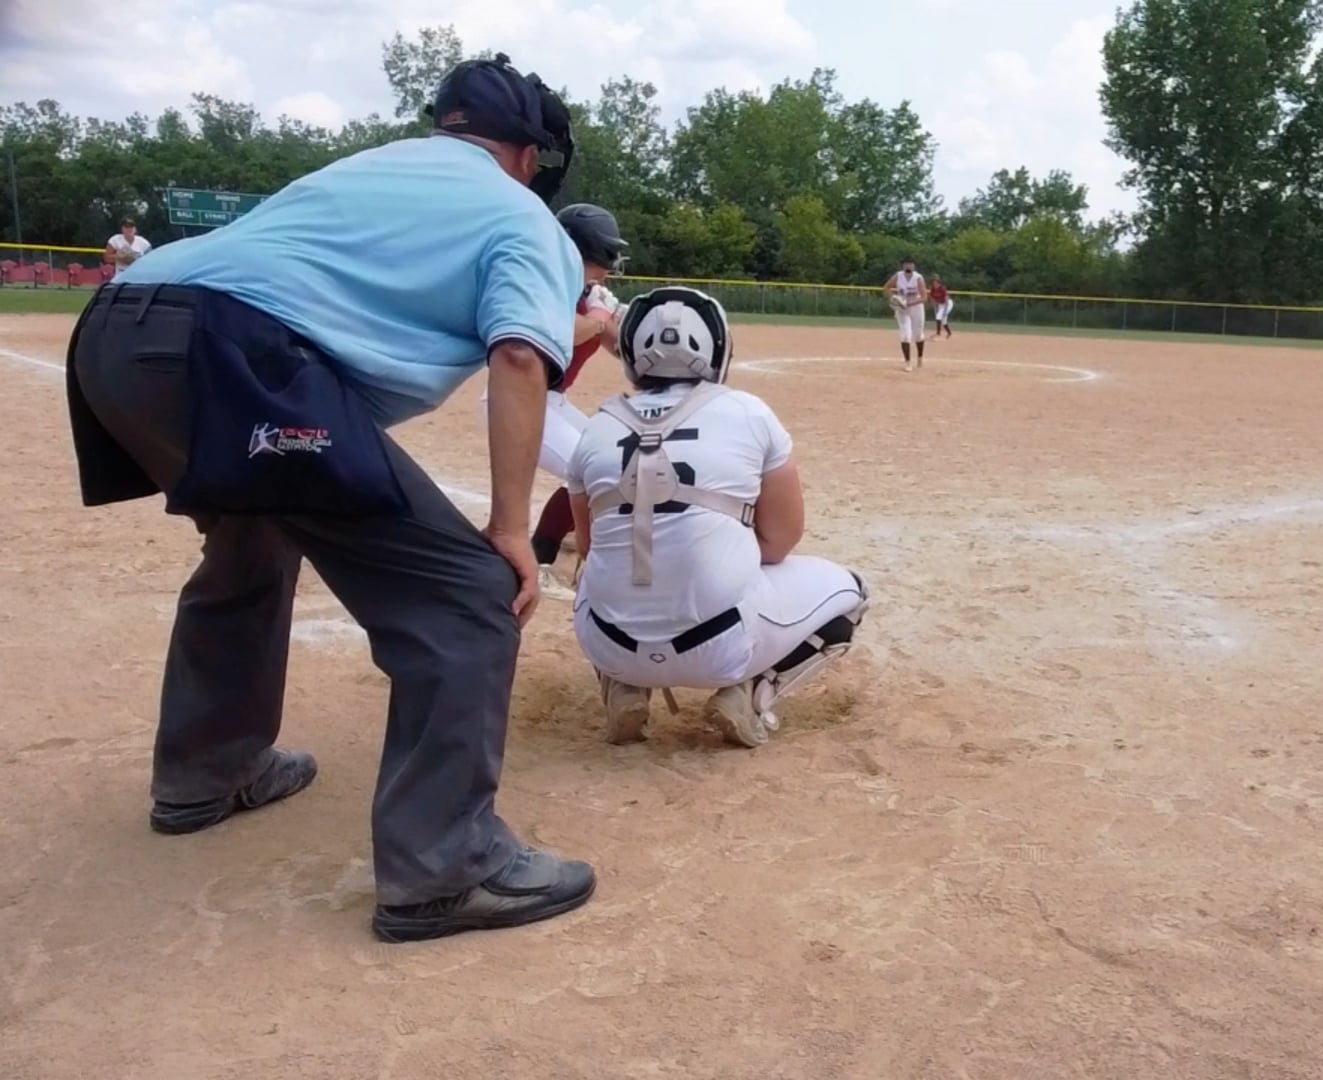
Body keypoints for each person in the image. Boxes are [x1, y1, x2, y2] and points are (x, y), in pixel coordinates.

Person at [63, 54, 598, 943]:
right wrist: (510, 529)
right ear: (530, 156)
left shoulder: (370, 168)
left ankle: (206, 772)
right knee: (468, 596)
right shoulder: (522, 217)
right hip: (236, 353)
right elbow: (518, 357)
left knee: (255, 534)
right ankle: (444, 869)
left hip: (115, 337)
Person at [566, 286, 869, 749]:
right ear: (717, 347)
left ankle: (622, 683)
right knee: (854, 595)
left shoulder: (596, 426)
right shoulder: (748, 412)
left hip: (611, 643)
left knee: (598, 572)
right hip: (722, 645)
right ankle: (749, 691)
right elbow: (781, 540)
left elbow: (589, 547)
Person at [497, 203, 627, 601]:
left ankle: (545, 554)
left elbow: (618, 347)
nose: (608, 266)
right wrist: (599, 315)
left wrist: (622, 323)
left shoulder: (587, 295)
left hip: (551, 401)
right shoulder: (546, 286)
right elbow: (564, 332)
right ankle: (548, 561)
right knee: (592, 470)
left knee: (615, 461)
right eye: (605, 254)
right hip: (519, 401)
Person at [883, 256, 928, 370]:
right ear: (903, 265)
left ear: (914, 266)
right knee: (905, 336)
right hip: (902, 309)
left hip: (916, 308)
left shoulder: (918, 278)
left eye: (911, 264)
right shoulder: (898, 276)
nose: (909, 265)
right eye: (906, 263)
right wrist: (894, 298)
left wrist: (909, 303)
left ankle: (920, 357)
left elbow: (924, 297)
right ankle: (908, 363)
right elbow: (886, 288)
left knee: (918, 335)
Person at [929, 274, 953, 338]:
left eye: (935, 283)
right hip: (941, 305)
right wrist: (933, 302)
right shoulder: (933, 289)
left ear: (938, 283)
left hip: (947, 304)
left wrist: (945, 310)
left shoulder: (942, 288)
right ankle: (949, 333)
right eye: (933, 283)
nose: (934, 284)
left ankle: (938, 333)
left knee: (938, 316)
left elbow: (946, 299)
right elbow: (931, 297)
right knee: (943, 321)